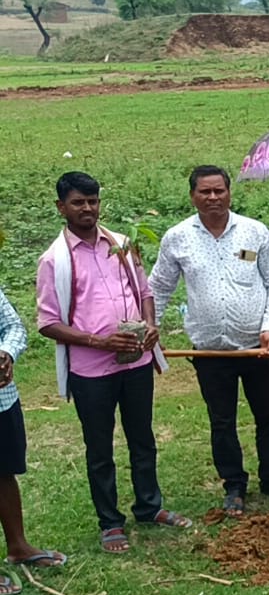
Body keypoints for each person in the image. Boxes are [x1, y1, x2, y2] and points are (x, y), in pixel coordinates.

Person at [36, 171, 189, 554]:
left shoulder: (122, 244)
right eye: (78, 202)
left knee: (143, 439)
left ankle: (149, 507)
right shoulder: (55, 260)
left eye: (93, 201)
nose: (87, 208)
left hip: (135, 363)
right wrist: (98, 341)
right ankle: (110, 522)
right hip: (91, 372)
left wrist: (150, 325)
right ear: (61, 208)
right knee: (100, 448)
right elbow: (48, 322)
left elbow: (145, 292)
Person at [150, 165, 269, 517]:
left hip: (260, 349)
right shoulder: (177, 238)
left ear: (229, 193)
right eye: (205, 192)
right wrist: (152, 329)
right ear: (192, 196)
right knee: (222, 421)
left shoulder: (254, 232)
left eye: (219, 191)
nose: (213, 197)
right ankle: (234, 485)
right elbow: (159, 288)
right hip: (210, 352)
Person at [2, 287, 67, 595]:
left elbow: (13, 326)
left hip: (2, 399)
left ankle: (18, 546)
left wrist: (6, 353)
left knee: (4, 471)